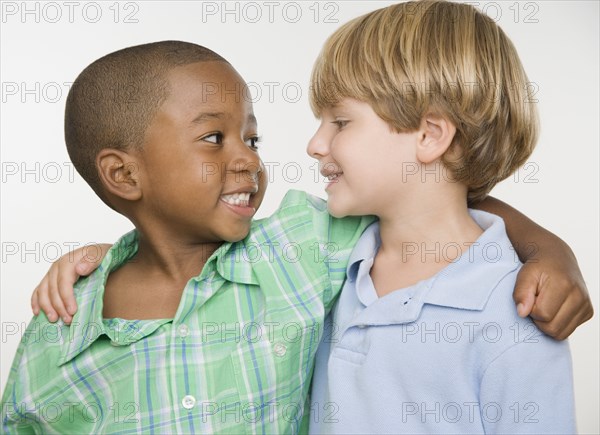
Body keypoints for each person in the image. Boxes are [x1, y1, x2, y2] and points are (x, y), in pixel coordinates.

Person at [3, 38, 590, 433]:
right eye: (214, 139)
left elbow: (429, 192)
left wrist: (546, 248)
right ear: (123, 174)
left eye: (251, 140)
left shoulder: (299, 248)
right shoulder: (59, 331)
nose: (248, 161)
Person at [306, 1, 579, 433]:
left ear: (430, 136)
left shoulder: (512, 315)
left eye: (340, 122)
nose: (315, 144)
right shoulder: (326, 255)